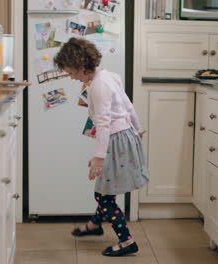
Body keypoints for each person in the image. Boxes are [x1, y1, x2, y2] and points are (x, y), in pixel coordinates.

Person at [53, 38, 149, 257]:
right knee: (107, 189)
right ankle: (95, 225)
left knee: (103, 196)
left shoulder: (98, 86)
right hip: (124, 137)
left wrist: (98, 157)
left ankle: (127, 242)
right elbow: (128, 105)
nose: (72, 78)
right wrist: (138, 129)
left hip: (115, 140)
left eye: (72, 73)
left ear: (81, 67)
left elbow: (104, 124)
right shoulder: (110, 76)